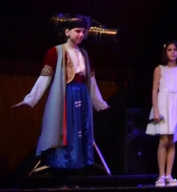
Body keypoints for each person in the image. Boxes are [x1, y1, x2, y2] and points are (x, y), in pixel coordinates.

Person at [12, 16, 109, 177]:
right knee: (65, 129)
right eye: (77, 31)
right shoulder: (55, 52)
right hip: (66, 96)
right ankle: (62, 166)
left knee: (80, 129)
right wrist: (30, 99)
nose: (80, 35)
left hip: (82, 95)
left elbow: (91, 82)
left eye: (83, 32)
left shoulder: (84, 54)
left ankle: (77, 167)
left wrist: (100, 103)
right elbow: (45, 78)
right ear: (67, 32)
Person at [146, 41, 177, 186]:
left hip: (176, 105)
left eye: (175, 50)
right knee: (163, 140)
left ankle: (169, 175)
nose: (173, 52)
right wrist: (156, 110)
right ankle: (161, 175)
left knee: (172, 141)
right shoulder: (159, 69)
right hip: (163, 105)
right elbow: (154, 91)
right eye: (170, 50)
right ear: (165, 52)